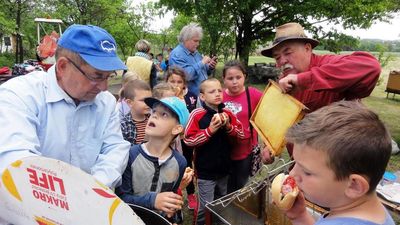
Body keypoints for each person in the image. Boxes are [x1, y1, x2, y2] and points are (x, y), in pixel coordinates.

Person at [0, 24, 130, 189]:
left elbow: (115, 149)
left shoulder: (106, 103)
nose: (104, 87)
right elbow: (16, 162)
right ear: (63, 66)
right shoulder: (20, 95)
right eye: (96, 76)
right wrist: (67, 197)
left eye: (109, 76)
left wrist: (92, 189)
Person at [260, 22, 381, 157]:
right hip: (300, 162)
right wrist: (269, 145)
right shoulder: (284, 81)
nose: (282, 61)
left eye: (287, 52)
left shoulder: (328, 63)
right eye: (277, 57)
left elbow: (371, 66)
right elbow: (279, 118)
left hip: (337, 162)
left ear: (307, 48)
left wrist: (303, 80)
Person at [283, 100, 394, 225]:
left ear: (354, 186)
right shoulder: (372, 213)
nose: (292, 174)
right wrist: (300, 217)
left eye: (307, 172)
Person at [116, 96, 191, 224]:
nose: (154, 116)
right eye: (154, 111)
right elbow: (120, 198)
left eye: (164, 115)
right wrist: (152, 201)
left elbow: (170, 197)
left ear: (177, 128)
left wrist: (172, 216)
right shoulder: (130, 155)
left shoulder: (180, 162)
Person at [184, 78, 244, 225]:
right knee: (206, 206)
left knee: (221, 201)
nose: (217, 94)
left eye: (219, 90)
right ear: (202, 96)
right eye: (212, 91)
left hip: (224, 169)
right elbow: (188, 140)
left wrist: (228, 126)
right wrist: (209, 131)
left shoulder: (228, 113)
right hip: (205, 171)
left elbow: (241, 135)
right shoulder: (197, 114)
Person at [222, 60, 267, 193]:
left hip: (245, 150)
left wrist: (267, 143)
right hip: (224, 150)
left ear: (245, 77)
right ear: (224, 79)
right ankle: (225, 211)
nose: (234, 81)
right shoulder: (220, 96)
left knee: (241, 185)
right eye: (230, 78)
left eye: (238, 77)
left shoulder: (252, 94)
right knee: (225, 185)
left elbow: (268, 113)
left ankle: (238, 208)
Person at [166, 66, 198, 209]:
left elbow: (195, 115)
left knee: (186, 165)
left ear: (184, 83)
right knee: (170, 167)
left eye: (179, 82)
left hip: (186, 139)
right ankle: (173, 194)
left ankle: (190, 194)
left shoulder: (191, 96)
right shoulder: (163, 96)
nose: (176, 85)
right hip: (169, 140)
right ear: (166, 81)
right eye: (172, 81)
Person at [169, 23, 218, 96]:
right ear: (186, 39)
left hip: (203, 97)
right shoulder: (176, 55)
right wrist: (202, 62)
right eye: (195, 41)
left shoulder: (196, 53)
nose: (198, 44)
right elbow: (185, 76)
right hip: (190, 100)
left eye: (199, 41)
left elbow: (203, 71)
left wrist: (210, 67)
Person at [120, 79, 152, 145]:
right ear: (129, 102)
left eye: (149, 99)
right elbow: (125, 150)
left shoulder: (153, 119)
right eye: (143, 100)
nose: (148, 103)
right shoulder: (124, 125)